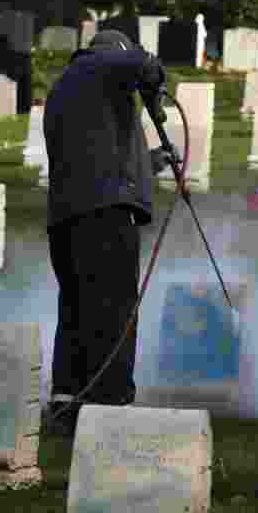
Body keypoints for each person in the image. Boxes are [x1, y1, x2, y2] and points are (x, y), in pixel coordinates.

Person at [43, 29, 172, 435]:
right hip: (104, 217)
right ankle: (111, 405)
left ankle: (68, 402)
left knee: (79, 309)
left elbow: (97, 162)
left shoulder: (67, 89)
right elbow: (138, 64)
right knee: (114, 311)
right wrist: (151, 74)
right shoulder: (97, 66)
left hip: (67, 218)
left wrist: (151, 162)